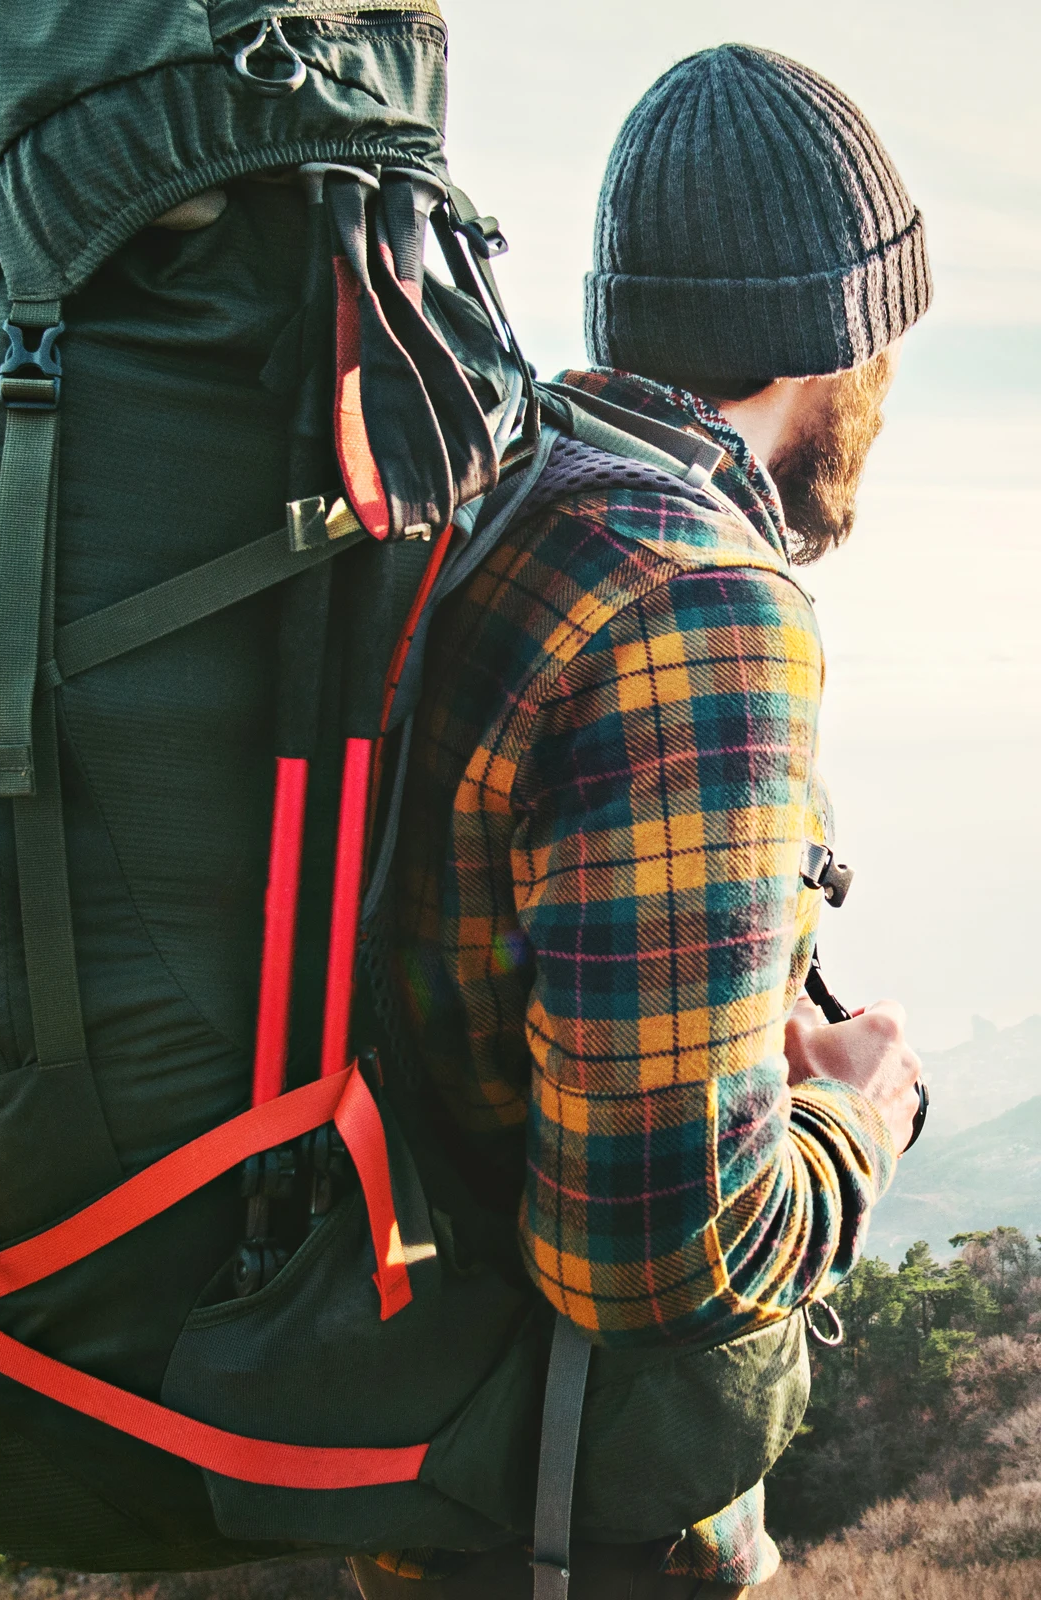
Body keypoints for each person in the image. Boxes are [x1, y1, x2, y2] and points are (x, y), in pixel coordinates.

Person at [366, 43, 932, 1600]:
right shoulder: (698, 607)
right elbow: (670, 1263)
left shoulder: (495, 497)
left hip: (415, 1464)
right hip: (571, 1518)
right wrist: (857, 1118)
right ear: (839, 346)